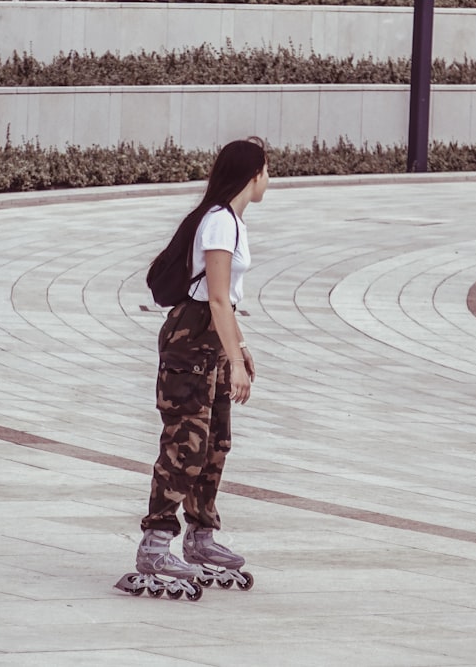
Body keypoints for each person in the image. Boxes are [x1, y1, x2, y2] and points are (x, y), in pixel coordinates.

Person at [126, 137, 268, 594]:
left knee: (215, 444)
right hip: (191, 339)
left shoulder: (232, 221)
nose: (270, 180)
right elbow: (219, 299)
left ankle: (201, 537)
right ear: (252, 175)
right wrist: (237, 360)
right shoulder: (219, 223)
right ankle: (155, 542)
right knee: (185, 442)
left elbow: (227, 304)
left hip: (212, 339)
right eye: (267, 171)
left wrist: (239, 348)